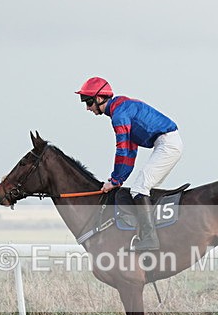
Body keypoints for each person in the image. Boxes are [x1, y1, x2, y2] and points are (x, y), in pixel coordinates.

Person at [75, 76, 182, 251]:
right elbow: (130, 153)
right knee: (141, 188)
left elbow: (123, 150)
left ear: (100, 98)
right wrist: (117, 180)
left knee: (139, 189)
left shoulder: (119, 115)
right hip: (164, 143)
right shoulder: (120, 108)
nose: (87, 108)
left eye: (88, 102)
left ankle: (150, 239)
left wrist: (115, 181)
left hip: (167, 144)